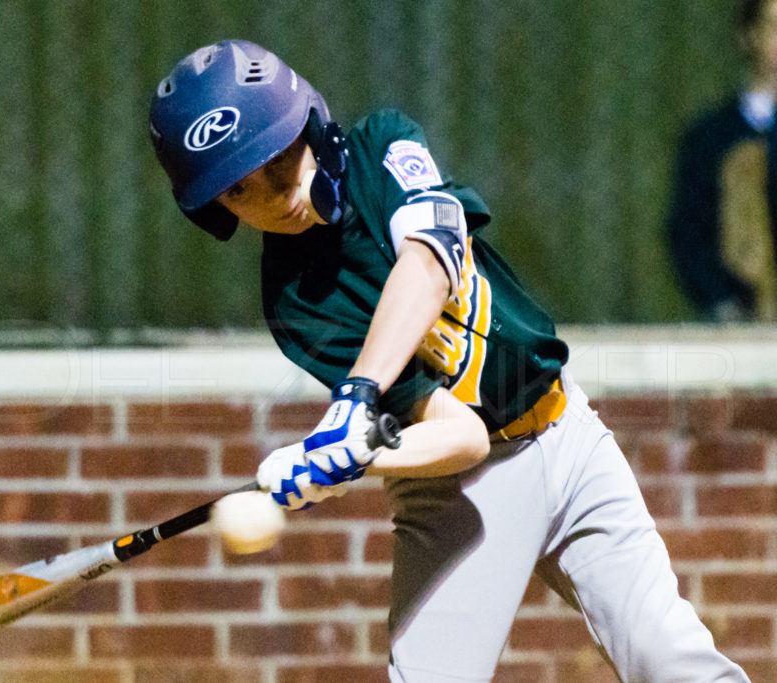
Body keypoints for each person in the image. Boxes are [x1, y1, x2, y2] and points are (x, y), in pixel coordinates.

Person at [149, 40, 748, 682]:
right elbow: (462, 436)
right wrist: (352, 460)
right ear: (218, 209)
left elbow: (432, 255)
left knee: (670, 656)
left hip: (568, 432)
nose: (276, 192)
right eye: (241, 188)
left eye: (278, 155)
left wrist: (352, 404)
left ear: (306, 124)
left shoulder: (382, 147)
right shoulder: (298, 303)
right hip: (459, 489)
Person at [667, 0, 777, 322]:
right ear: (749, 35)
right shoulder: (712, 138)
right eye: (774, 27)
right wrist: (724, 303)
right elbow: (688, 232)